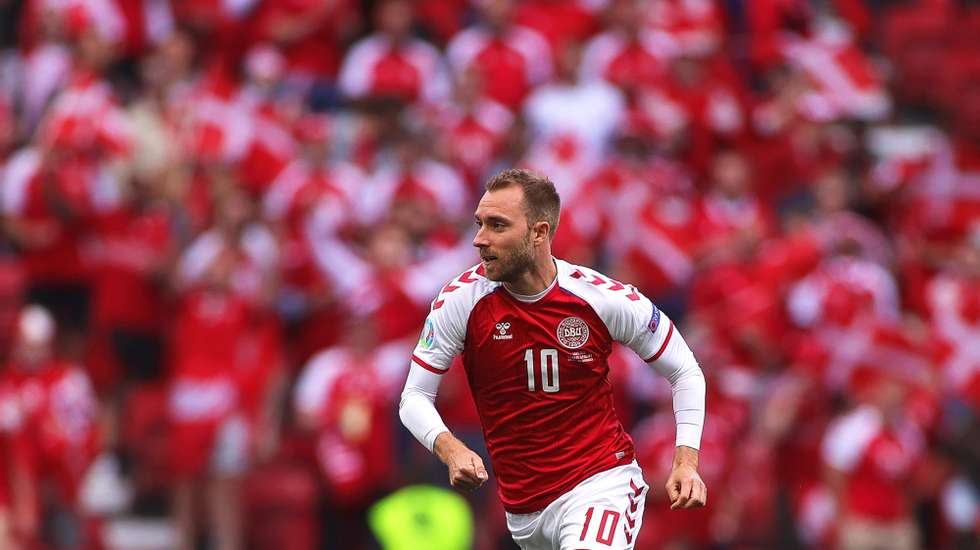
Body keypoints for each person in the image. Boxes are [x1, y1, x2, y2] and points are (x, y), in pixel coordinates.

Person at [399, 168, 707, 549]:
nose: (480, 240)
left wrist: (686, 461)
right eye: (479, 224)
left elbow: (685, 371)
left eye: (497, 226)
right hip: (524, 511)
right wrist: (450, 447)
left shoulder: (600, 298)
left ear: (539, 233)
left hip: (600, 482)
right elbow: (413, 396)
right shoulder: (461, 302)